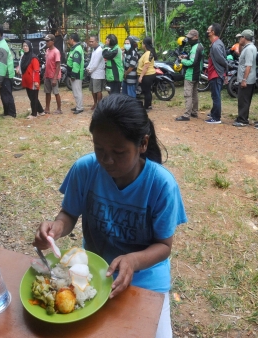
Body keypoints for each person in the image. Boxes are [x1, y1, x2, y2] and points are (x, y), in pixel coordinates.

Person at [33, 94, 187, 338]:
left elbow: (164, 245)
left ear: (143, 144)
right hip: (93, 274)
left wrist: (133, 261)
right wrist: (56, 228)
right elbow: (69, 213)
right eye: (99, 149)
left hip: (146, 279)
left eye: (118, 151)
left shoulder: (161, 184)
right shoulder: (85, 169)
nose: (106, 160)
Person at [175, 29, 204, 122]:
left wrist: (182, 61)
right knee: (194, 94)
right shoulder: (200, 46)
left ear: (196, 37)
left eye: (190, 37)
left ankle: (186, 115)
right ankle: (194, 112)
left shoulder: (195, 47)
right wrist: (186, 57)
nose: (189, 39)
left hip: (190, 75)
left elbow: (192, 62)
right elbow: (196, 58)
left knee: (188, 95)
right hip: (197, 73)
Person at [0, 23, 17, 118]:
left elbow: (2, 64)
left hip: (5, 74)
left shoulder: (1, 47)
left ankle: (11, 113)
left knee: (6, 95)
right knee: (4, 94)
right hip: (4, 74)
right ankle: (7, 112)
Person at [233, 29, 258, 127]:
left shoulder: (249, 49)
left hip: (247, 79)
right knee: (242, 99)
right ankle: (241, 117)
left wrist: (244, 80)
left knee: (244, 100)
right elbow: (240, 54)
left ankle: (243, 120)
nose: (239, 39)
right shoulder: (248, 47)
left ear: (244, 38)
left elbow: (248, 65)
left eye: (241, 37)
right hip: (246, 78)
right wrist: (240, 44)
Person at [204, 23, 228, 124]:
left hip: (216, 74)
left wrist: (224, 72)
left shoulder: (216, 45)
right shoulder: (216, 43)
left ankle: (216, 118)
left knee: (216, 96)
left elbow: (222, 60)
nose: (207, 31)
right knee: (215, 95)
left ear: (212, 32)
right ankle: (214, 112)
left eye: (208, 30)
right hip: (216, 74)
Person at [20, 40, 44, 119]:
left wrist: (36, 81)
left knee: (33, 98)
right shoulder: (24, 57)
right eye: (24, 46)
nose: (25, 47)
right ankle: (41, 111)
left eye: (26, 46)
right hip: (27, 81)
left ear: (30, 47)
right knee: (32, 97)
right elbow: (21, 66)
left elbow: (36, 71)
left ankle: (34, 114)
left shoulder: (34, 58)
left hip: (33, 81)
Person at [43, 34, 62, 115]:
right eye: (46, 41)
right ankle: (47, 108)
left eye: (48, 41)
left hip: (54, 76)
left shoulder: (56, 52)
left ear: (53, 41)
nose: (46, 42)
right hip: (47, 75)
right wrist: (45, 74)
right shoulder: (47, 50)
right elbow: (47, 63)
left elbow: (58, 66)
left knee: (56, 92)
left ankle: (59, 109)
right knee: (47, 92)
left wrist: (55, 78)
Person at [86, 35, 106, 110]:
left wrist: (89, 70)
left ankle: (99, 106)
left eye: (92, 41)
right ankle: (95, 103)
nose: (90, 43)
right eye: (90, 41)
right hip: (93, 74)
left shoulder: (99, 50)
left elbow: (95, 64)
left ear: (97, 41)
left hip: (98, 74)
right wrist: (88, 68)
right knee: (93, 90)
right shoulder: (94, 50)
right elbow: (91, 61)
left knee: (98, 91)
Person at [66, 33, 85, 114]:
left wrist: (73, 74)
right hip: (74, 73)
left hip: (76, 74)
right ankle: (78, 106)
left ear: (72, 40)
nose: (68, 41)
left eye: (69, 39)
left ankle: (80, 107)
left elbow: (76, 64)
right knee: (76, 91)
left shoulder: (77, 49)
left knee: (77, 91)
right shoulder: (75, 48)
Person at [137, 37, 157, 111]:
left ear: (144, 45)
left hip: (147, 75)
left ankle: (146, 107)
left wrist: (141, 76)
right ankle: (149, 105)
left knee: (146, 92)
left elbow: (146, 65)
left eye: (142, 43)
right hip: (149, 74)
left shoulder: (148, 53)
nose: (142, 45)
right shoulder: (148, 52)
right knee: (148, 91)